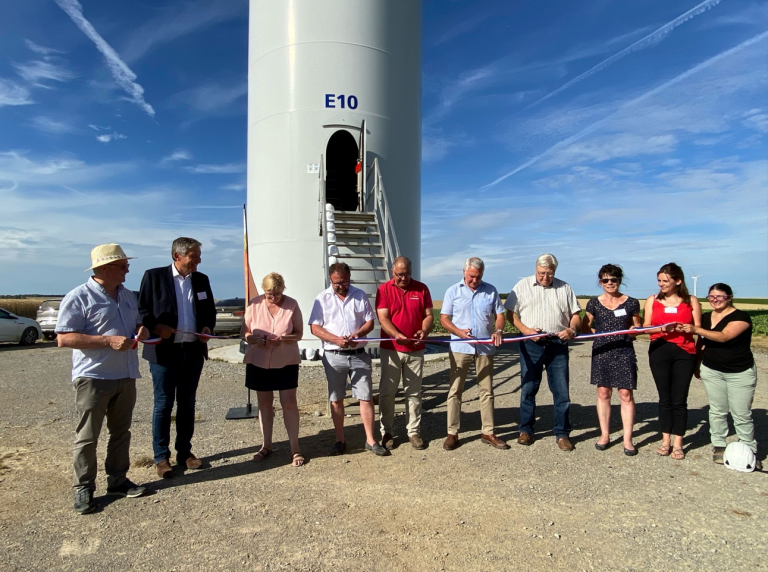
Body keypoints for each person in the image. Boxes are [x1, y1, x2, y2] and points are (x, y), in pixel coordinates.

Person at [56, 244, 150, 514]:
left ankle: (118, 481)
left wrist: (140, 331)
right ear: (104, 268)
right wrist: (107, 340)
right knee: (88, 436)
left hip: (126, 374)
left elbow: (135, 325)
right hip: (94, 376)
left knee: (121, 433)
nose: (127, 270)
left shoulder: (128, 296)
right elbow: (64, 338)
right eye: (122, 266)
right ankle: (83, 488)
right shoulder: (78, 297)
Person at [138, 237, 216, 478]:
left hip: (192, 351)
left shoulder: (201, 279)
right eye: (194, 256)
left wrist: (207, 329)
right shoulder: (154, 277)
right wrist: (155, 326)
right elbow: (141, 311)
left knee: (187, 403)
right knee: (163, 404)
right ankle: (161, 458)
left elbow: (209, 312)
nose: (199, 260)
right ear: (177, 256)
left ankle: (185, 453)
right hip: (164, 352)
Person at [677, 283, 761, 470]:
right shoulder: (707, 317)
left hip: (740, 372)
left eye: (719, 297)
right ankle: (719, 445)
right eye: (711, 297)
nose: (715, 300)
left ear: (730, 297)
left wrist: (695, 329)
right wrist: (698, 363)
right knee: (717, 410)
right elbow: (701, 343)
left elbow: (723, 336)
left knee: (741, 413)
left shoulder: (741, 317)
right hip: (712, 370)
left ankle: (748, 448)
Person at [309, 262, 388, 456]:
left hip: (359, 355)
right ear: (330, 279)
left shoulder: (359, 295)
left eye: (344, 281)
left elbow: (370, 321)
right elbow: (314, 327)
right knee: (336, 399)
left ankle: (370, 439)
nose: (341, 285)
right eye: (337, 282)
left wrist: (358, 334)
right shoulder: (322, 299)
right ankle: (339, 440)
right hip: (334, 356)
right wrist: (335, 339)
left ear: (349, 278)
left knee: (366, 397)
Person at [505, 253, 581, 451]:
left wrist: (571, 329)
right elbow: (510, 314)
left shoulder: (565, 288)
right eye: (541, 273)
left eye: (549, 273)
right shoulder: (522, 286)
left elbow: (575, 315)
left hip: (558, 343)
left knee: (561, 390)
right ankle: (526, 430)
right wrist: (526, 331)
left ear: (555, 271)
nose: (545, 277)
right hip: (531, 343)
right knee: (529, 388)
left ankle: (562, 433)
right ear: (535, 269)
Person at [440, 257, 507, 451]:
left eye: (478, 277)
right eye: (471, 276)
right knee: (455, 390)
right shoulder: (452, 291)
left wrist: (499, 330)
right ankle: (452, 433)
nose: (474, 280)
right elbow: (444, 319)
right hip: (461, 348)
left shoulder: (491, 290)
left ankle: (488, 432)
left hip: (485, 348)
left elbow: (500, 315)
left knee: (486, 390)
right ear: (464, 273)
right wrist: (459, 332)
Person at [241, 273, 305, 466]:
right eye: (269, 294)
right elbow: (244, 332)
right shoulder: (254, 304)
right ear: (264, 291)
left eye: (276, 293)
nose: (273, 297)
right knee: (265, 405)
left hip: (285, 361)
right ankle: (266, 445)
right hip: (259, 361)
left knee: (289, 404)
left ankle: (295, 448)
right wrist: (253, 339)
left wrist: (284, 339)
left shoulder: (292, 305)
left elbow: (299, 333)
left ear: (283, 289)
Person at [582, 264, 641, 456]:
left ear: (619, 281)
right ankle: (605, 435)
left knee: (625, 394)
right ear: (600, 282)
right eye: (605, 280)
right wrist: (600, 335)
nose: (610, 283)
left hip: (623, 352)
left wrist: (633, 332)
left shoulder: (631, 303)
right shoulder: (593, 303)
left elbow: (637, 327)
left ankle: (627, 439)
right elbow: (584, 328)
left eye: (613, 280)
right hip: (602, 352)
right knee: (603, 393)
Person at [643, 262, 701, 461]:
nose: (661, 284)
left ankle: (678, 443)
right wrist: (662, 330)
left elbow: (698, 329)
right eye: (659, 281)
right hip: (659, 351)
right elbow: (645, 328)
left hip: (684, 352)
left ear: (678, 281)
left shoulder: (691, 300)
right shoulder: (652, 300)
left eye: (665, 281)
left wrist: (690, 330)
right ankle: (665, 440)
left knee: (680, 399)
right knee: (664, 398)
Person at [375, 256, 434, 450]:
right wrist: (397, 335)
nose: (403, 278)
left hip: (416, 350)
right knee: (387, 393)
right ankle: (387, 432)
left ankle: (414, 432)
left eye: (406, 274)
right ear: (393, 271)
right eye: (399, 275)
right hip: (391, 349)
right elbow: (383, 318)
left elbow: (428, 315)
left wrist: (424, 331)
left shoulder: (422, 288)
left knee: (414, 393)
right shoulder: (383, 290)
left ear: (411, 271)